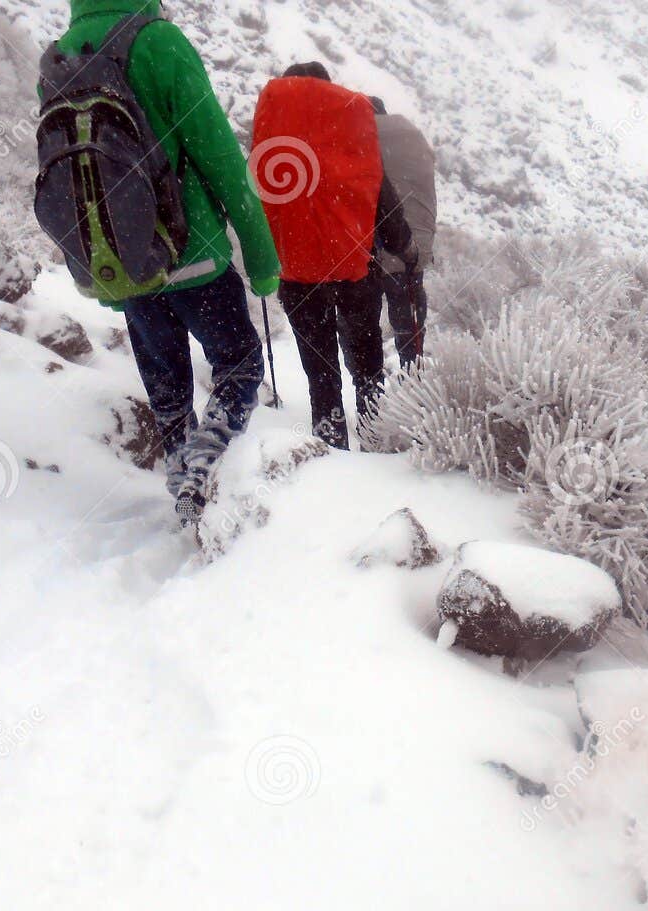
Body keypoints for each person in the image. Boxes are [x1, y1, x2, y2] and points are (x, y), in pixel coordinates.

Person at [41, 0, 281, 524]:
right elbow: (218, 155)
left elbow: (74, 180)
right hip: (195, 259)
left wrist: (103, 274)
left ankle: (181, 474)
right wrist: (261, 257)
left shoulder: (60, 58)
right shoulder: (158, 41)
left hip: (129, 265)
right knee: (238, 366)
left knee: (166, 383)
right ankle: (207, 470)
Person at [251, 63, 419, 448]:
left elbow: (257, 205)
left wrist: (260, 259)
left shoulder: (274, 142)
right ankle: (376, 439)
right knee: (368, 366)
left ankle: (329, 448)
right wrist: (405, 248)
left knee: (321, 373)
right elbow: (383, 201)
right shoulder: (351, 142)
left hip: (296, 277)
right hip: (353, 273)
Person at [368, 96, 436, 368]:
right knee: (408, 322)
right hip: (413, 245)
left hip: (370, 246)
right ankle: (415, 379)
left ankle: (369, 395)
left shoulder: (359, 138)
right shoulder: (412, 136)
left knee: (363, 324)